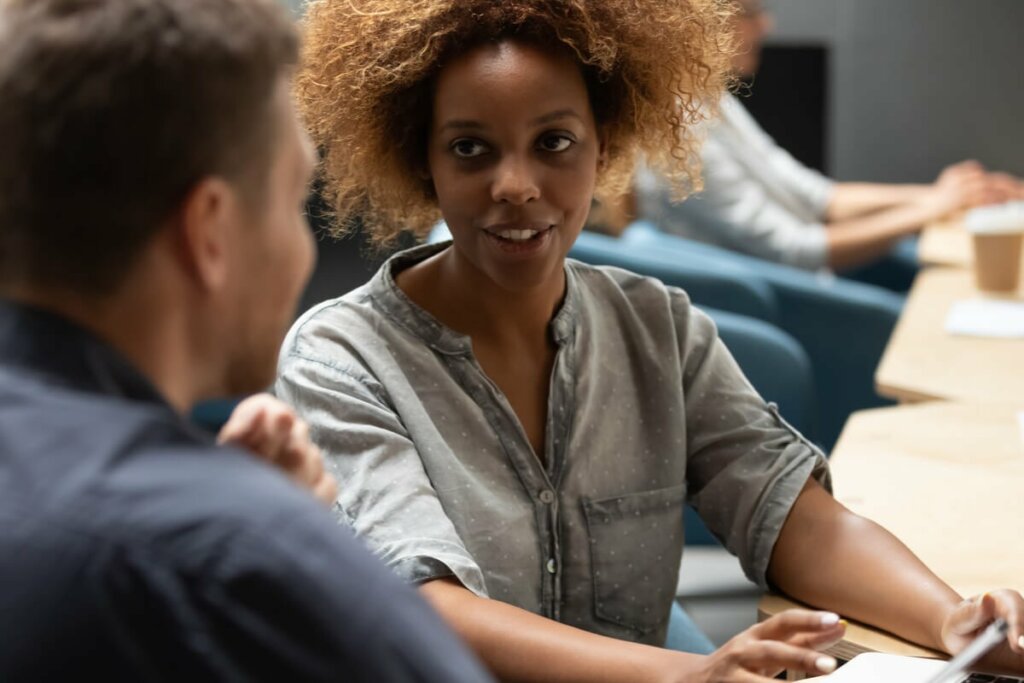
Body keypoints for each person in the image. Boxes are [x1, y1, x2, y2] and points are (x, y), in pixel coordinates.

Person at [278, 1, 1024, 681]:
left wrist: (951, 619)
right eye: (471, 148)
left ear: (604, 150)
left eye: (555, 141)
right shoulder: (341, 359)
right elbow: (424, 606)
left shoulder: (656, 327)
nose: (515, 183)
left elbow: (792, 516)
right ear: (423, 160)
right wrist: (682, 675)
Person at [0, 0, 491, 680]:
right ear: (209, 231)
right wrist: (297, 552)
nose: (301, 252)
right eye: (291, 200)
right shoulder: (241, 560)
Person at [635, 0, 1024, 274]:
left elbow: (820, 198)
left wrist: (945, 194)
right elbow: (795, 248)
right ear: (699, 25)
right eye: (751, 12)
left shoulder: (711, 99)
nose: (766, 25)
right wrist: (929, 209)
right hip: (790, 307)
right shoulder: (679, 134)